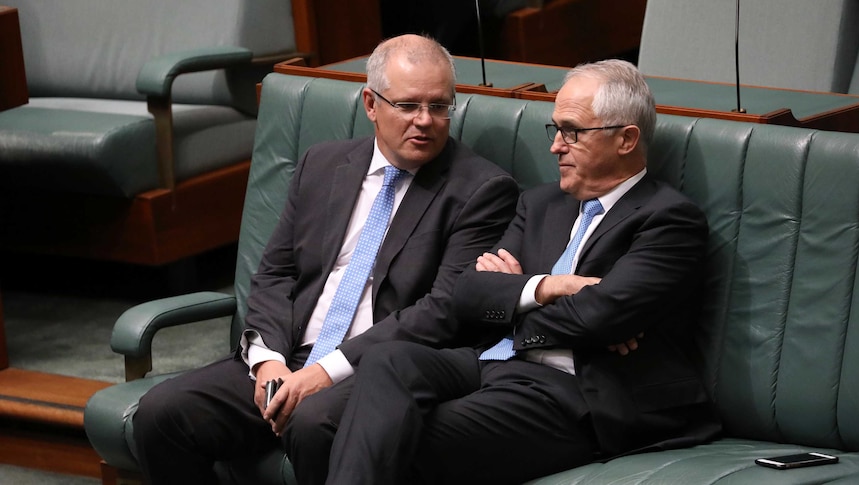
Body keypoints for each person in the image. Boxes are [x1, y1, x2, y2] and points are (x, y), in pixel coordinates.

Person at [131, 34, 520, 484]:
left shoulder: (480, 190)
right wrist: (268, 360)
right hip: (287, 354)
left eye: (439, 106)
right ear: (371, 104)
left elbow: (441, 310)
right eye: (408, 106)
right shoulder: (322, 164)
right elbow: (276, 272)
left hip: (370, 370)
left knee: (315, 422)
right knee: (162, 414)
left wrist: (323, 373)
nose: (425, 121)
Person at [326, 59, 723, 484]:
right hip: (491, 364)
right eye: (556, 130)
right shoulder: (539, 204)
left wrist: (515, 297)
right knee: (388, 359)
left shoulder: (668, 220)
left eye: (573, 132)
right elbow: (467, 294)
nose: (556, 146)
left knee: (399, 436)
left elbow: (599, 314)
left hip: (575, 392)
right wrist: (547, 288)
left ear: (626, 139)